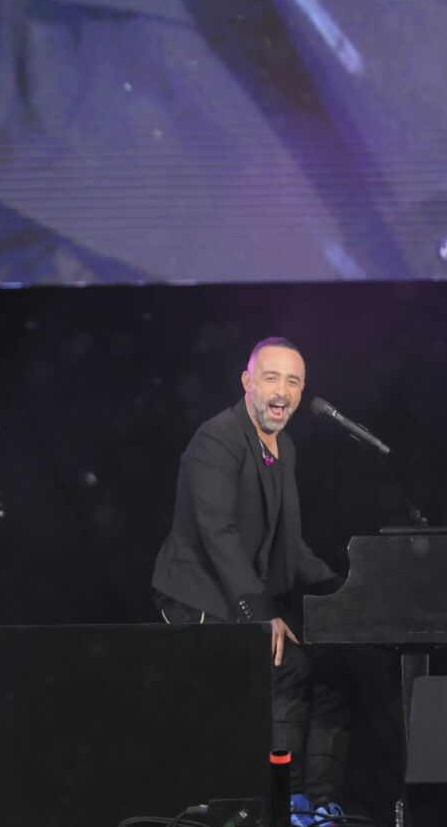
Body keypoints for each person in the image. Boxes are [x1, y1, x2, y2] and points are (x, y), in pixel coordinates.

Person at [151, 337, 351, 824]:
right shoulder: (217, 439)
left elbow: (291, 548)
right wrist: (261, 617)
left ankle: (320, 803)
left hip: (242, 592)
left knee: (336, 666)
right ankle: (287, 801)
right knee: (290, 666)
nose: (281, 390)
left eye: (293, 381)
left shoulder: (285, 448)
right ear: (247, 382)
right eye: (271, 377)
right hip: (197, 595)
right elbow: (217, 534)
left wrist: (347, 593)